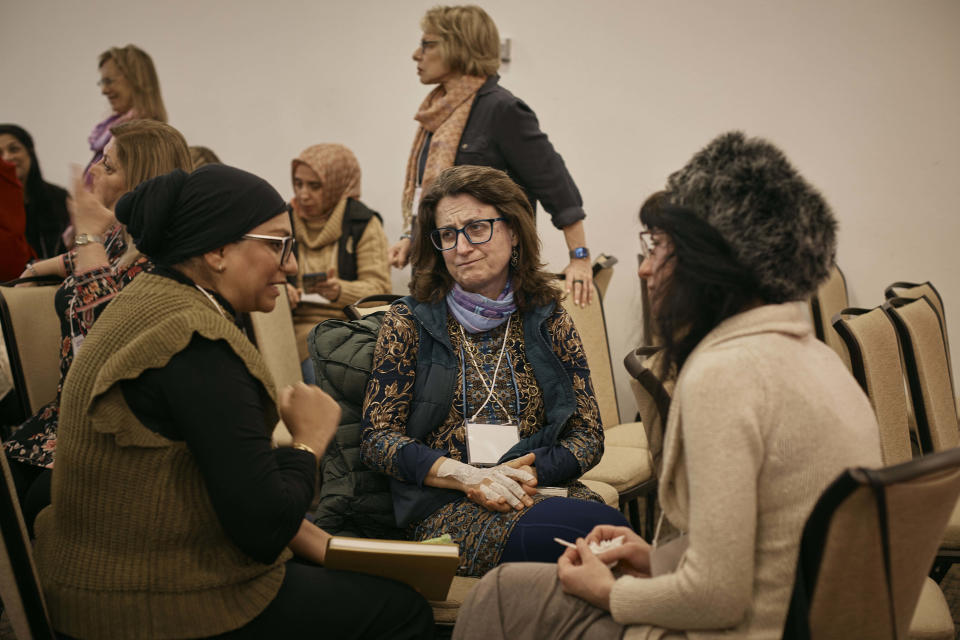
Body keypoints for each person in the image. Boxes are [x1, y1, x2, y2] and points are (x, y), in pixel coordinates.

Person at [451, 132, 884, 639]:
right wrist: (656, 557)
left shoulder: (725, 375)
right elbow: (767, 546)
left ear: (709, 263)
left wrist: (610, 592)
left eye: (658, 247)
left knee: (499, 597)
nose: (644, 267)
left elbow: (716, 599)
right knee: (508, 590)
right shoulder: (818, 358)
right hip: (798, 619)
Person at [32, 164, 435, 639]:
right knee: (403, 610)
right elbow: (262, 531)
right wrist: (307, 443)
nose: (289, 265)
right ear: (219, 250)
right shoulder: (195, 342)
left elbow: (227, 474)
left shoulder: (151, 298)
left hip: (100, 578)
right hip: (148, 605)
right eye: (277, 244)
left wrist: (325, 544)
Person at [361, 165, 627, 578]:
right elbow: (377, 438)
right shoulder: (410, 321)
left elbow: (588, 434)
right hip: (446, 507)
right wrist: (467, 477)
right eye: (448, 235)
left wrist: (528, 471)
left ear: (514, 231)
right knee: (578, 544)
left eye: (476, 228)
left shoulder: (547, 318)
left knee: (614, 541)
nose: (462, 246)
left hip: (535, 490)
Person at [3, 120, 191, 531]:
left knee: (31, 504)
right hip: (70, 415)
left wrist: (87, 234)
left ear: (139, 181)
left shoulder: (166, 260)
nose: (93, 173)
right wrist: (37, 268)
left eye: (108, 167)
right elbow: (86, 262)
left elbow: (102, 340)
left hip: (116, 429)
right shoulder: (122, 240)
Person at [388, 5, 595, 307]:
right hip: (437, 275)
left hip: (492, 286)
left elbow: (559, 190)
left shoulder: (502, 110)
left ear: (459, 46)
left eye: (427, 44)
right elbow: (430, 194)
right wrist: (412, 236)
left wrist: (580, 258)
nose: (416, 55)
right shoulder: (438, 114)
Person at [287, 143, 390, 382]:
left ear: (336, 185)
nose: (303, 194)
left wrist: (340, 291)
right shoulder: (284, 221)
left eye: (314, 186)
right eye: (298, 183)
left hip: (349, 326)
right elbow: (261, 277)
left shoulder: (361, 223)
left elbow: (380, 291)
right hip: (294, 330)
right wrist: (283, 292)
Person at [86, 44, 167, 176]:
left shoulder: (145, 137)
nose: (104, 91)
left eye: (109, 81)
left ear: (136, 80)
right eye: (102, 82)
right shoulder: (112, 132)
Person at [0, 124, 71, 259]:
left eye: (14, 149)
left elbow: (73, 245)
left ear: (30, 153)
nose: (7, 157)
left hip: (58, 277)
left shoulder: (59, 197)